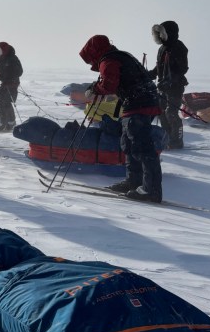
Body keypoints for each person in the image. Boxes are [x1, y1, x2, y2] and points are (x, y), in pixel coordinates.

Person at [79, 35, 163, 202]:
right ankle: (134, 181)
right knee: (128, 143)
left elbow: (109, 85)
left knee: (141, 146)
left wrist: (94, 89)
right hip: (138, 102)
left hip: (139, 103)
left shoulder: (109, 60)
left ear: (95, 52)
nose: (90, 63)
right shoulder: (118, 56)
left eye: (90, 59)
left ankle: (151, 190)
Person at [149, 20, 189, 149]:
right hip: (162, 87)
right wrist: (149, 74)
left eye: (161, 33)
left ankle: (177, 141)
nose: (159, 36)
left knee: (171, 112)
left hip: (175, 87)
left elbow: (183, 68)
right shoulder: (162, 49)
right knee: (161, 113)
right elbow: (159, 67)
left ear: (168, 33)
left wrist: (170, 81)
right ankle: (166, 139)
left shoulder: (179, 47)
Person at [0, 41, 23, 132]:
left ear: (3, 50)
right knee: (0, 101)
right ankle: (3, 123)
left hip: (12, 84)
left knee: (6, 102)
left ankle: (11, 122)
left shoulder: (12, 58)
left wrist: (9, 74)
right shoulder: (0, 60)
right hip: (4, 84)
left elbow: (19, 71)